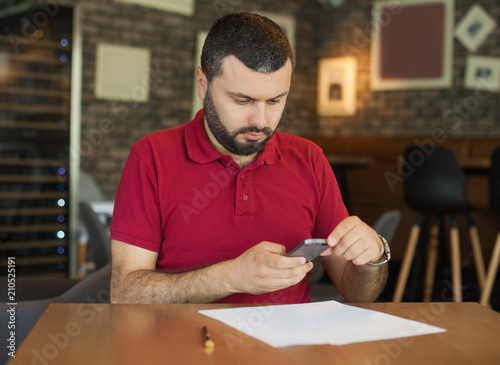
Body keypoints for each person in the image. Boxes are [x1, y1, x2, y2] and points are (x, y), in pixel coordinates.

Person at [110, 12, 388, 305]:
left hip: (289, 347)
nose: (260, 120)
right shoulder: (151, 156)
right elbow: (125, 292)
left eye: (274, 101)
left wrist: (373, 258)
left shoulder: (310, 158)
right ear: (203, 84)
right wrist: (230, 277)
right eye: (242, 101)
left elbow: (358, 293)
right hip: (186, 346)